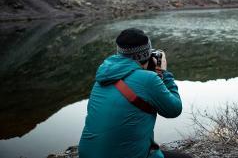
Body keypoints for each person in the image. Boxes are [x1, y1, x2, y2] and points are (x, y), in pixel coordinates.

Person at [79, 28, 192, 158]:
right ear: (146, 55)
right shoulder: (148, 79)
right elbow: (174, 110)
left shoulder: (101, 78)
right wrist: (163, 74)